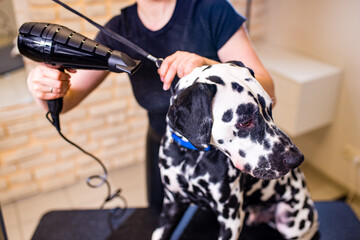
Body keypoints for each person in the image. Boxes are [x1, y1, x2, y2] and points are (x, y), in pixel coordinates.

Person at [27, 0, 275, 211]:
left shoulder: (212, 9)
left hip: (224, 154)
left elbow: (268, 89)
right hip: (164, 149)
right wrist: (41, 86)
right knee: (161, 218)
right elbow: (65, 101)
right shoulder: (118, 30)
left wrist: (208, 67)